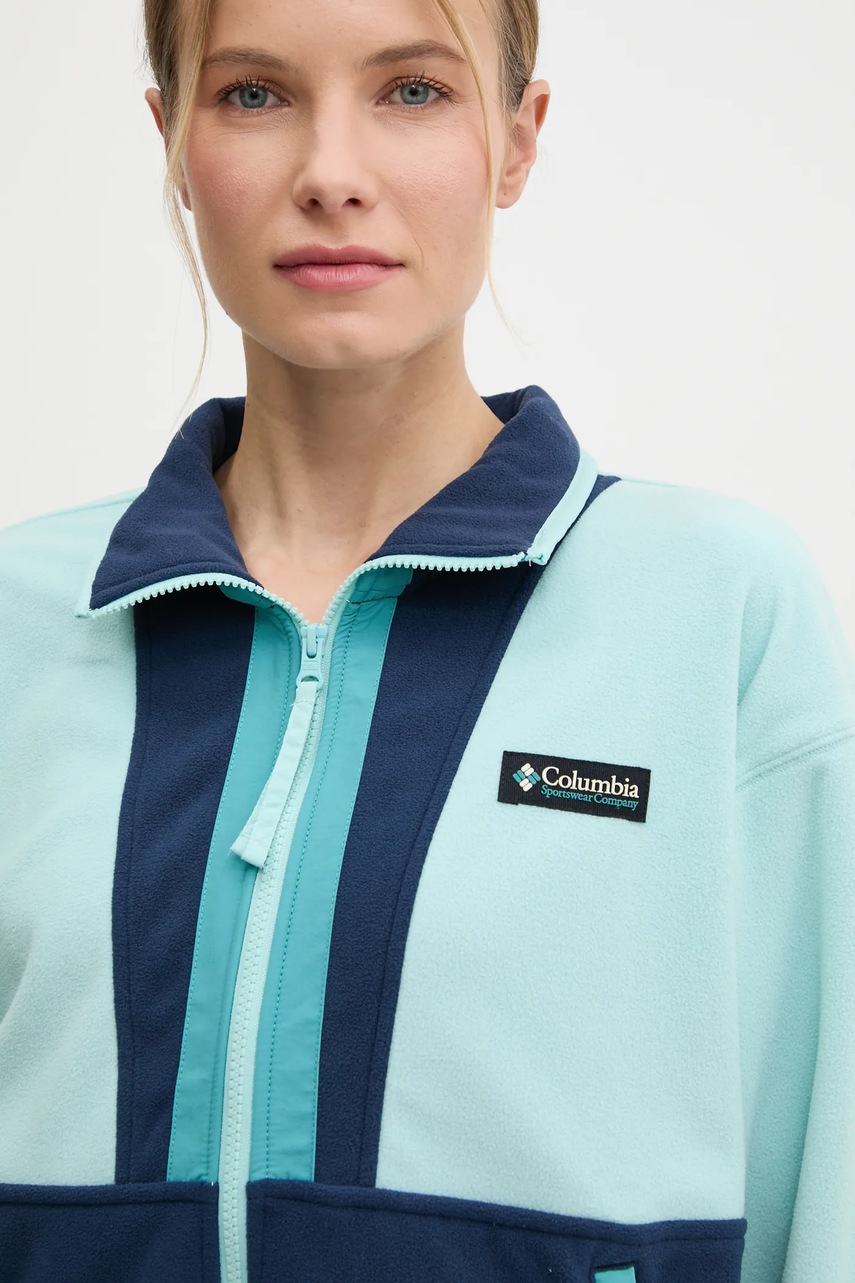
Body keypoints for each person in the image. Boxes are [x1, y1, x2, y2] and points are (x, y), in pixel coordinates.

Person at [0, 0, 852, 1279]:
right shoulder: (20, 619)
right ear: (172, 139)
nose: (331, 174)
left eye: (413, 91)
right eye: (252, 95)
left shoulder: (718, 612)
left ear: (518, 139)